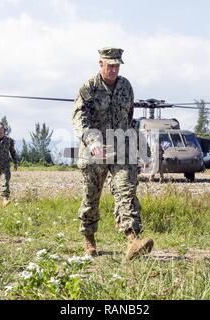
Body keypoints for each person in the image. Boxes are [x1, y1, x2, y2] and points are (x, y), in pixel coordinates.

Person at [72, 47, 154, 260]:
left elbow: (129, 121)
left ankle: (132, 240)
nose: (114, 70)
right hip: (94, 151)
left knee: (127, 190)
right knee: (91, 196)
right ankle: (89, 238)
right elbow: (80, 119)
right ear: (101, 64)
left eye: (117, 66)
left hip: (121, 148)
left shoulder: (126, 87)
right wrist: (92, 141)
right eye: (110, 66)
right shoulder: (88, 88)